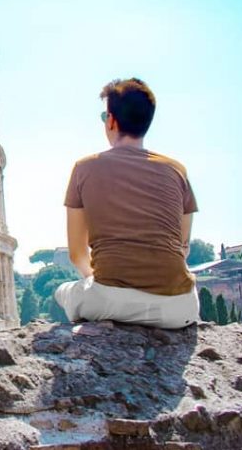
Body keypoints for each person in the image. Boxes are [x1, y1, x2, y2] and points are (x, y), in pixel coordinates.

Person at [54, 78, 199, 329]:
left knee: (63, 291)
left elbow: (78, 254)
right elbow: (182, 248)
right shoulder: (178, 170)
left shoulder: (83, 168)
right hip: (180, 307)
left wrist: (107, 284)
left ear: (111, 120)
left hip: (109, 300)